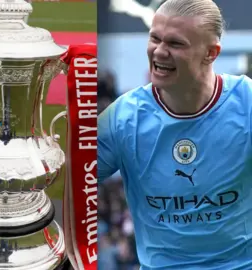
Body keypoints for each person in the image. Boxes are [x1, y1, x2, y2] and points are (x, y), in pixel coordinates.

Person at [98, 0, 252, 269]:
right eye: (155, 39)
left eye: (175, 44)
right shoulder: (122, 118)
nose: (159, 52)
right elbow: (69, 179)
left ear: (211, 53)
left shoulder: (246, 103)